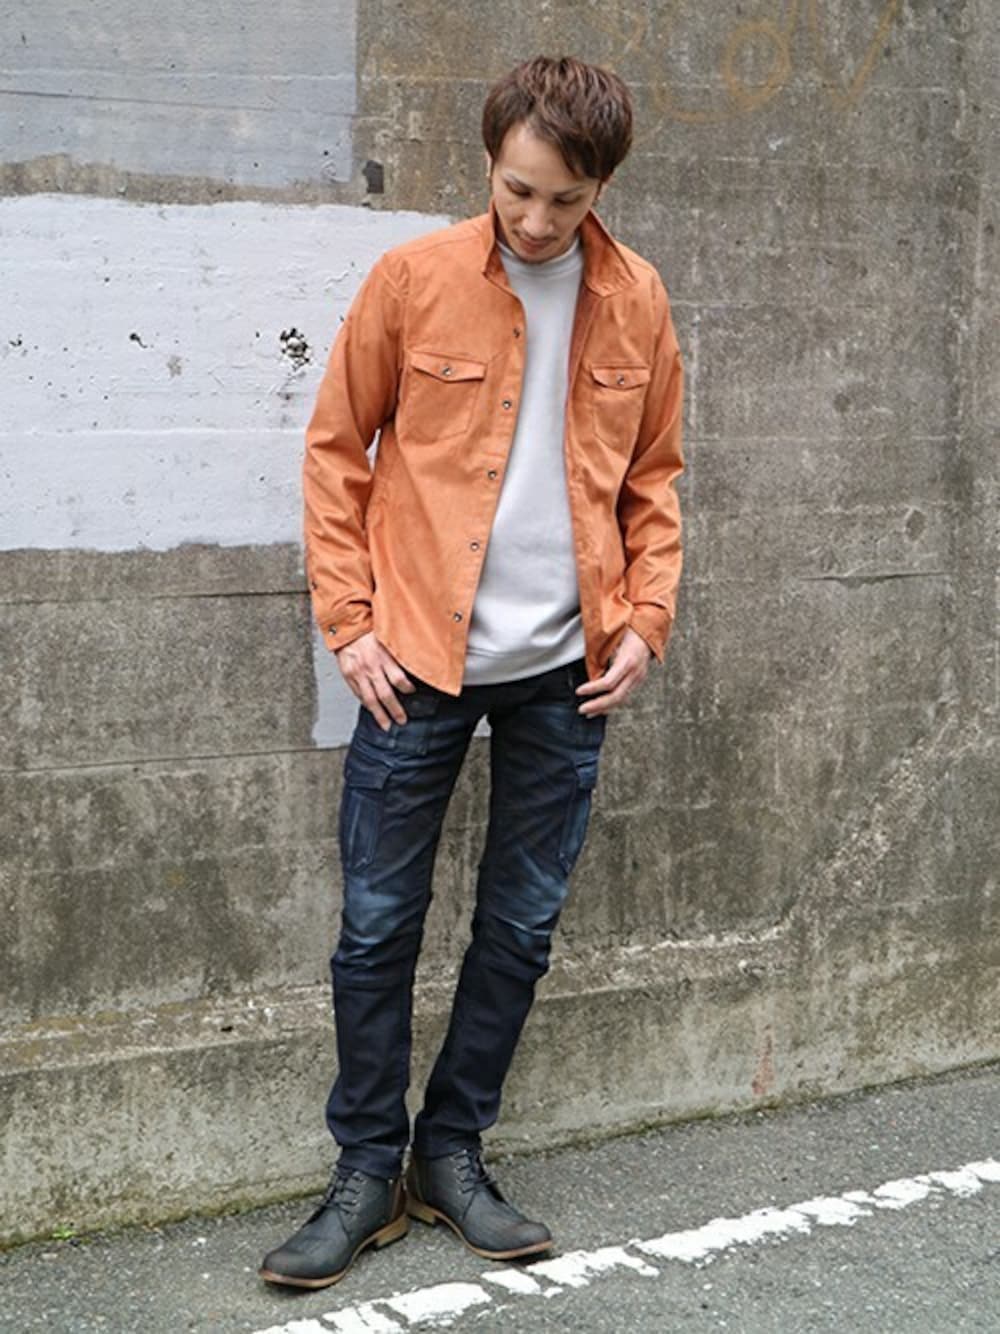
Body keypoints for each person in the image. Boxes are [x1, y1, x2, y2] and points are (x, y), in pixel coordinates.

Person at [260, 53, 683, 1289]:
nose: (537, 221)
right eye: (517, 191)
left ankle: (451, 1153)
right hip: (417, 661)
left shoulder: (638, 298)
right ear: (490, 163)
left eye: (565, 199)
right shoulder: (414, 280)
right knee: (376, 925)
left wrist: (647, 616)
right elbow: (336, 452)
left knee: (521, 924)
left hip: (567, 666)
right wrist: (350, 623)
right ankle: (364, 1171)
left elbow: (654, 476)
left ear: (600, 186)